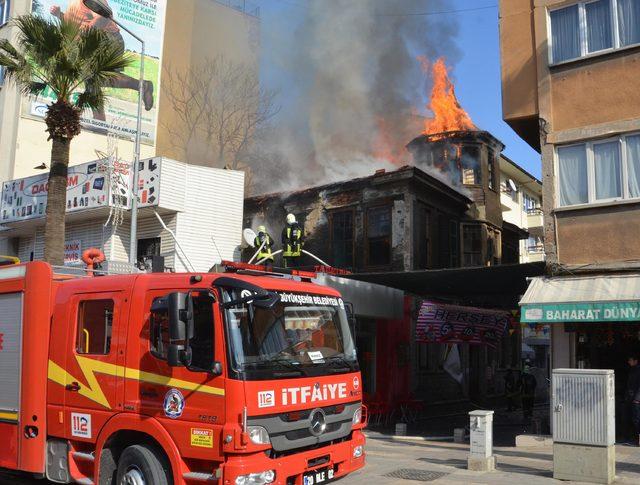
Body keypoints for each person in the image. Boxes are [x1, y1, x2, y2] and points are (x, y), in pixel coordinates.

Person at [50, 1, 154, 121]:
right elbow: (77, 23)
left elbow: (102, 17)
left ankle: (100, 121)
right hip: (97, 41)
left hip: (108, 40)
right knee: (93, 80)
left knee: (91, 77)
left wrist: (81, 37)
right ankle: (142, 86)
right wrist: (59, 15)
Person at [624, 353, 640, 446]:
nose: (629, 362)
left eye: (631, 360)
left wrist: (637, 398)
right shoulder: (633, 370)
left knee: (637, 419)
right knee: (633, 418)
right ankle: (634, 437)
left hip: (636, 399)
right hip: (631, 398)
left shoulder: (637, 370)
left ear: (635, 361)